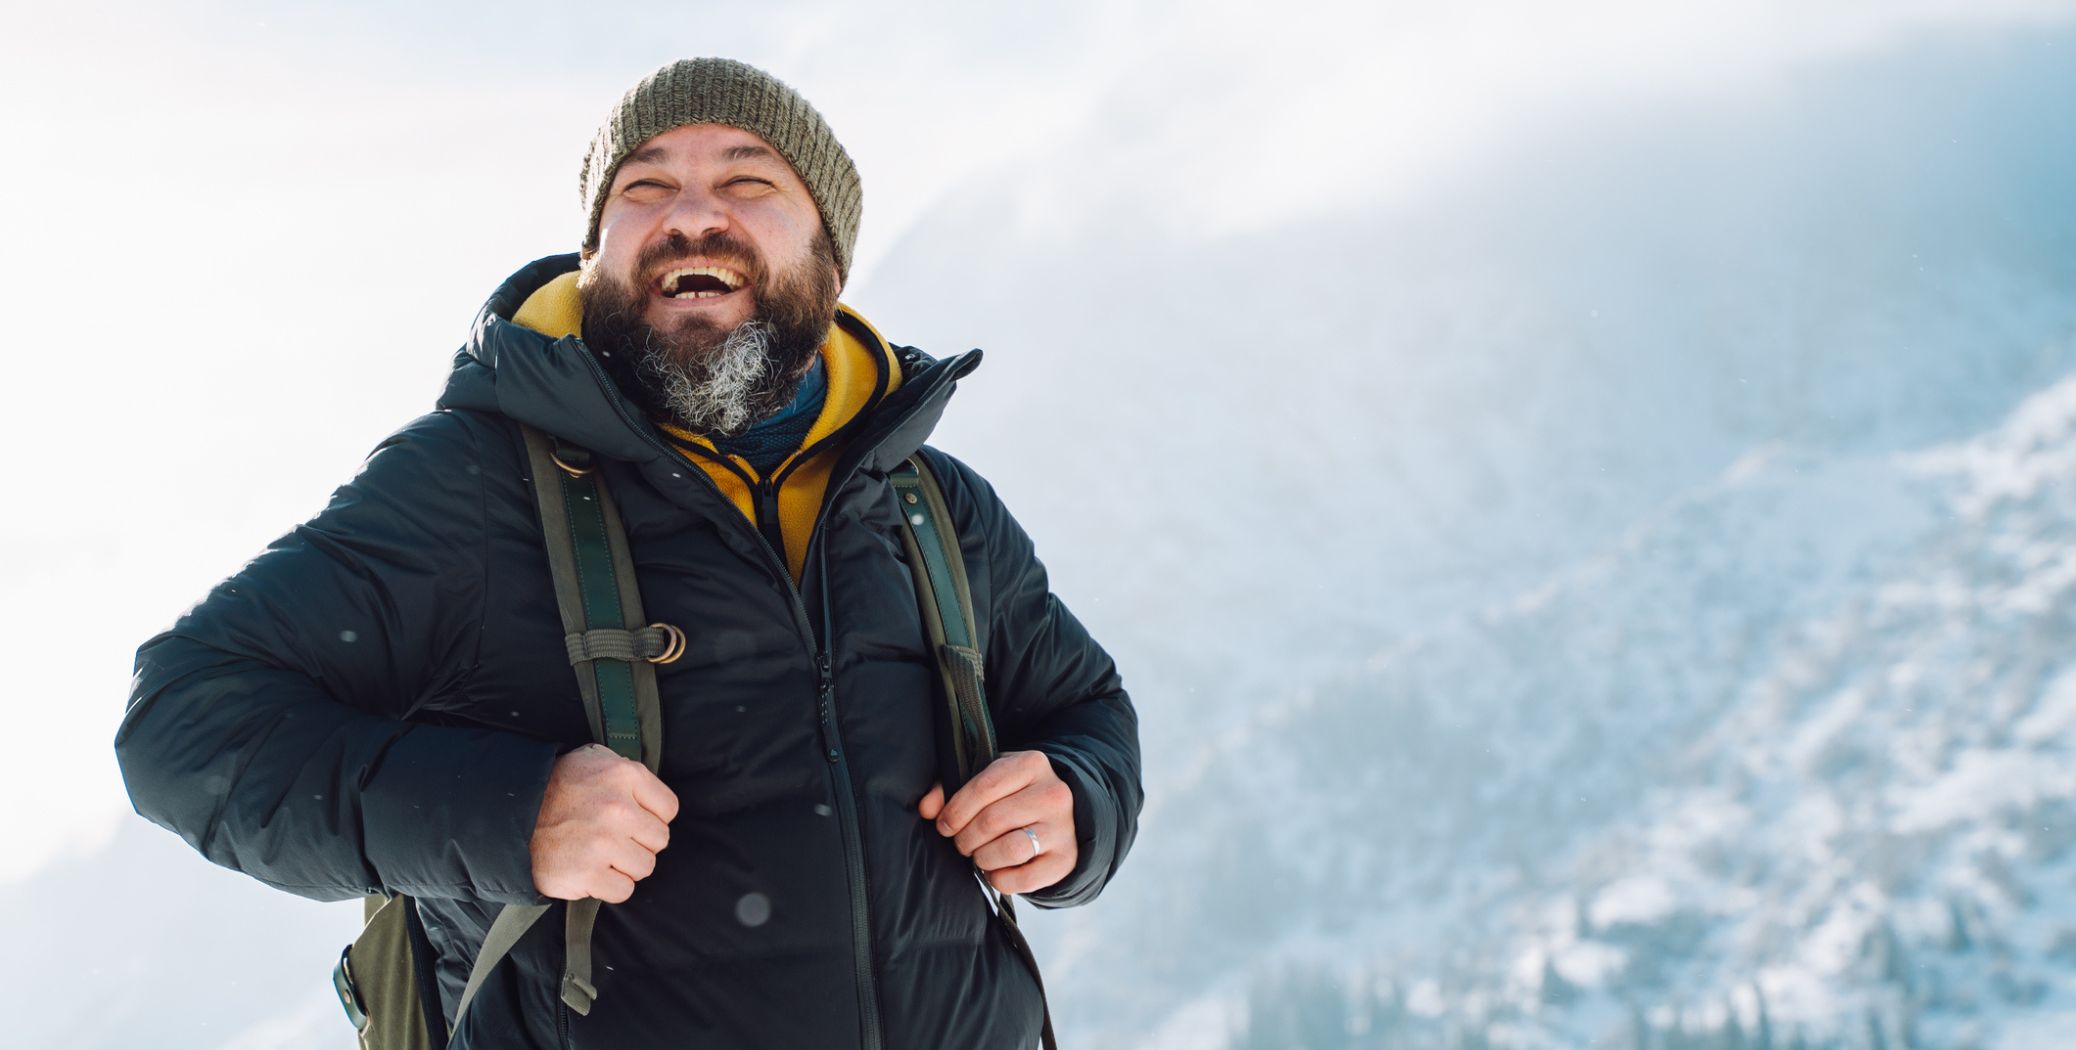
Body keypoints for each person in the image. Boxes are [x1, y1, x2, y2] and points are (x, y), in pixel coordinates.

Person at [114, 57, 1142, 1049]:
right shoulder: (477, 487)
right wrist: (505, 814)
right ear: (597, 254)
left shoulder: (934, 507)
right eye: (645, 187)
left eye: (748, 180)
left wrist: (1077, 806)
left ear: (830, 254)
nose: (693, 214)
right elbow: (183, 723)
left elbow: (1087, 711)